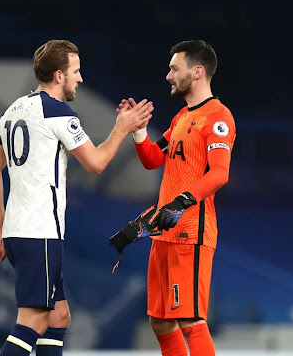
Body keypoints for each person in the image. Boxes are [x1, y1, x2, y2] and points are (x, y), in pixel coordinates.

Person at [0, 39, 154, 356]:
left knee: (59, 315)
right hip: (40, 231)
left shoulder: (13, 111)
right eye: (76, 71)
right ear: (59, 75)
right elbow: (97, 163)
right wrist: (121, 128)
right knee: (33, 320)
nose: (80, 78)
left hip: (19, 230)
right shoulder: (59, 112)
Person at [111, 40, 236, 356]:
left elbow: (220, 174)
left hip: (190, 234)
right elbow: (154, 158)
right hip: (163, 234)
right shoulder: (182, 117)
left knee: (190, 319)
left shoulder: (218, 118)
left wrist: (181, 202)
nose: (168, 75)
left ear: (197, 72)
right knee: (160, 321)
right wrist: (139, 132)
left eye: (173, 69)